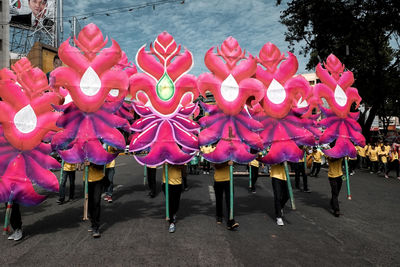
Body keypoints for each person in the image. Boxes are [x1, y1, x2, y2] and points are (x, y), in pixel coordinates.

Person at [213, 161, 239, 230]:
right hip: (218, 180)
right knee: (219, 199)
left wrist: (234, 161)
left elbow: (236, 161)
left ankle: (231, 222)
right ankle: (219, 216)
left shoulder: (230, 152)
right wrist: (227, 163)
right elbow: (216, 166)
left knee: (230, 200)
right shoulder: (214, 151)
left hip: (229, 180)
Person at [85, 162, 106, 238]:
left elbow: (102, 165)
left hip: (98, 180)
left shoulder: (99, 151)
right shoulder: (84, 151)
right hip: (87, 180)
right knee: (90, 204)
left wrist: (91, 163)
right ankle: (93, 222)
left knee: (96, 202)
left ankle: (96, 227)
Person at [162, 164, 184, 233]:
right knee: (169, 202)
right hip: (166, 182)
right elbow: (157, 162)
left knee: (176, 203)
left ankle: (174, 213)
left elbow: (183, 167)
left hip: (178, 182)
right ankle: (171, 222)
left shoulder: (181, 155)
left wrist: (173, 162)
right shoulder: (164, 154)